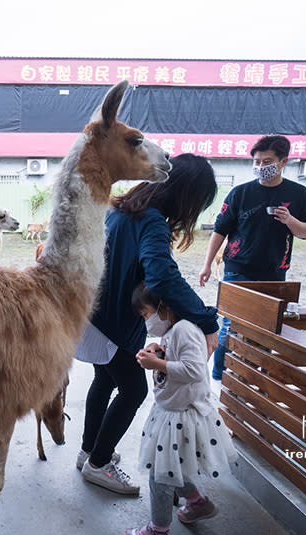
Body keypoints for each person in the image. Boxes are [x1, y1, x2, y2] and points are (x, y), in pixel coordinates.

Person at [76, 153, 220, 495]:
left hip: (92, 314)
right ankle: (99, 464)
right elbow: (161, 276)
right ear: (187, 195)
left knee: (104, 379)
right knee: (133, 390)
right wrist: (205, 318)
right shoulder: (152, 220)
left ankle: (88, 452)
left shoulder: (121, 210)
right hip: (114, 321)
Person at [121, 282, 237, 535]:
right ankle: (196, 503)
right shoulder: (173, 331)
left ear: (165, 307)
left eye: (147, 314)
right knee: (172, 465)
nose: (146, 321)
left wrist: (158, 364)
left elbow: (195, 370)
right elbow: (178, 360)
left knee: (160, 475)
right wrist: (158, 352)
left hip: (180, 417)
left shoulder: (185, 329)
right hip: (173, 412)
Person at [199, 135, 306, 381]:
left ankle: (255, 377)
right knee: (230, 324)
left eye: (268, 161)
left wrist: (290, 220)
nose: (261, 166)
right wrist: (207, 264)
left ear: (284, 161)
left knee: (267, 328)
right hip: (237, 268)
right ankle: (219, 376)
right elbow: (220, 229)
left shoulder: (299, 193)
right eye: (257, 161)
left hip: (275, 271)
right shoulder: (241, 193)